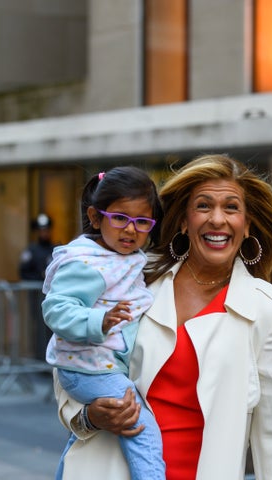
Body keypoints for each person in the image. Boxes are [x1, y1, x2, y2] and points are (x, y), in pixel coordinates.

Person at [54, 154, 272, 479]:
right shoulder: (137, 275)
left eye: (232, 207)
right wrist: (87, 417)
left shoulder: (265, 309)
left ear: (247, 223)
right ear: (184, 220)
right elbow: (72, 349)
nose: (218, 219)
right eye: (204, 206)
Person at [42, 166, 165, 480]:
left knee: (83, 442)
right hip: (89, 367)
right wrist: (99, 319)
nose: (130, 230)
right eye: (120, 218)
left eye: (142, 222)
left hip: (96, 365)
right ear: (96, 218)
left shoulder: (122, 257)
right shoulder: (88, 263)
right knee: (140, 427)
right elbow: (56, 309)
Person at [19, 212, 56, 360]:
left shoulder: (56, 249)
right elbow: (23, 272)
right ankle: (40, 357)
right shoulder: (31, 251)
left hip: (52, 296)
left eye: (46, 230)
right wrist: (40, 279)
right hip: (37, 297)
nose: (44, 233)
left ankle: (50, 358)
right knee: (39, 328)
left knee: (52, 327)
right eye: (41, 230)